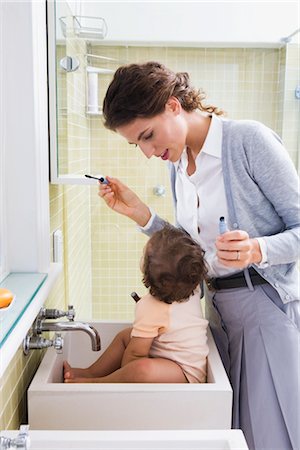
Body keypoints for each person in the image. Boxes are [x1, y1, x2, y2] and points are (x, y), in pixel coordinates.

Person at [97, 61, 300, 450]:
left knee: (272, 437)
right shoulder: (179, 167)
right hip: (217, 314)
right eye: (136, 143)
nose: (147, 152)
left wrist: (259, 248)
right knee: (234, 433)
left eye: (148, 136)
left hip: (263, 309)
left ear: (173, 106)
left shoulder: (247, 142)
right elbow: (192, 254)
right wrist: (142, 213)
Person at [64, 225, 209, 384]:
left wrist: (125, 378)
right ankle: (91, 372)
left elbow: (135, 356)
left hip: (184, 372)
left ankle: (97, 383)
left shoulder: (150, 307)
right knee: (126, 336)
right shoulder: (191, 286)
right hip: (176, 356)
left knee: (141, 369)